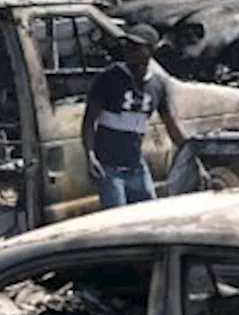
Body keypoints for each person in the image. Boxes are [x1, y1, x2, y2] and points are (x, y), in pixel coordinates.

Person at [82, 25, 191, 209]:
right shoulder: (108, 78)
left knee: (148, 214)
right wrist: (90, 155)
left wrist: (192, 153)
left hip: (137, 168)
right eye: (127, 45)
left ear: (150, 51)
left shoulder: (158, 85)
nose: (129, 50)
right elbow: (89, 121)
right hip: (109, 169)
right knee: (117, 219)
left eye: (136, 46)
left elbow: (172, 124)